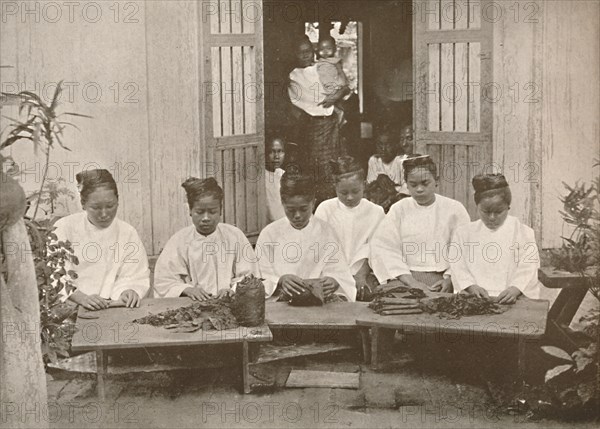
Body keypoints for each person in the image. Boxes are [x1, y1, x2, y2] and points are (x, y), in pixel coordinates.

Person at [370, 156, 471, 292]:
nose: (419, 189)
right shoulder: (399, 209)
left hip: (442, 280)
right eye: (413, 184)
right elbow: (384, 246)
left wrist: (450, 278)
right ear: (406, 183)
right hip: (404, 278)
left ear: (436, 181)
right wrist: (411, 282)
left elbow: (464, 248)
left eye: (425, 183)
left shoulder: (454, 209)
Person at [53, 169, 150, 310]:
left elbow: (134, 275)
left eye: (110, 206)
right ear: (83, 204)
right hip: (71, 307)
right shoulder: (64, 228)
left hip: (113, 307)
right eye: (96, 208)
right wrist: (81, 297)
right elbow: (55, 272)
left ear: (118, 200)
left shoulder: (127, 233)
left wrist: (127, 291)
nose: (104, 214)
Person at [256, 171, 356, 302]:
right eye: (291, 210)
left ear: (313, 203)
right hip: (282, 304)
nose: (297, 215)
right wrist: (279, 281)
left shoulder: (326, 231)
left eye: (303, 209)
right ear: (282, 203)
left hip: (321, 304)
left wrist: (334, 281)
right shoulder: (269, 234)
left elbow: (341, 272)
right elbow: (259, 278)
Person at [154, 177, 259, 300]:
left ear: (220, 211)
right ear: (190, 211)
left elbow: (249, 276)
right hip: (192, 305)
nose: (206, 218)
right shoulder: (179, 241)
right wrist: (187, 289)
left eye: (212, 211)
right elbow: (164, 281)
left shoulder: (234, 236)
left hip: (230, 303)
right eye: (199, 212)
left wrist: (232, 289)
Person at [450, 174, 541, 302]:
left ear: (508, 207)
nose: (492, 217)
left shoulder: (523, 232)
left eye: (498, 212)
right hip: (475, 297)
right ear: (477, 207)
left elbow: (529, 266)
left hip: (511, 298)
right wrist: (470, 286)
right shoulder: (464, 233)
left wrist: (515, 288)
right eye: (486, 212)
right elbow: (457, 264)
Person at [288, 35, 350, 203]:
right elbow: (308, 100)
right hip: (315, 125)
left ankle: (337, 201)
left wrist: (335, 95)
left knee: (337, 162)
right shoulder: (294, 76)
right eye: (301, 53)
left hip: (332, 122)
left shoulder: (322, 66)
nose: (305, 55)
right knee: (319, 165)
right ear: (294, 54)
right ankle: (323, 203)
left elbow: (344, 86)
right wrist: (330, 99)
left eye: (308, 51)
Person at [314, 156, 385, 298]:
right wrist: (337, 277)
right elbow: (322, 248)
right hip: (331, 271)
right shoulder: (326, 209)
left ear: (364, 185)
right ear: (335, 187)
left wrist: (360, 276)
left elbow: (375, 248)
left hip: (363, 270)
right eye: (343, 193)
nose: (350, 198)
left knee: (368, 296)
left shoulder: (376, 212)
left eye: (355, 191)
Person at [316, 36, 349, 126]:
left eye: (329, 48)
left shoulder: (335, 61)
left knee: (329, 99)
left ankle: (339, 113)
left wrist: (343, 84)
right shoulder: (320, 61)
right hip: (325, 84)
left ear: (334, 49)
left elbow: (341, 73)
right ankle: (339, 114)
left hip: (333, 85)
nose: (325, 51)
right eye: (322, 49)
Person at [367, 129, 409, 195]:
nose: (383, 149)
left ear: (396, 145)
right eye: (380, 145)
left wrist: (391, 189)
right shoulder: (374, 160)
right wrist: (378, 180)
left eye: (388, 145)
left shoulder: (402, 161)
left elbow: (406, 191)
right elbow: (370, 188)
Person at [265, 133, 288, 223]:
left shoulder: (283, 174)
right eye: (272, 152)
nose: (276, 156)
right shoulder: (261, 178)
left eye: (280, 151)